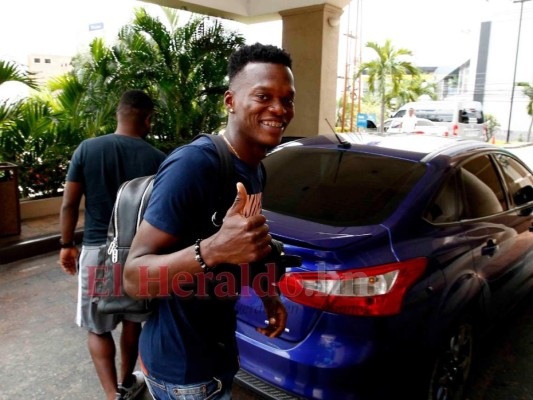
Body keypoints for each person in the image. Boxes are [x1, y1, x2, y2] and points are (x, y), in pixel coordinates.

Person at [123, 43, 295, 400]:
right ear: (230, 101)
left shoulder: (255, 168)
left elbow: (245, 245)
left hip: (216, 353)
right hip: (183, 370)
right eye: (263, 96)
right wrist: (213, 249)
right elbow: (133, 277)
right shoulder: (193, 165)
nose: (279, 109)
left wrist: (267, 294)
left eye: (287, 99)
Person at [59, 89, 167, 400]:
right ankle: (126, 382)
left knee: (98, 327)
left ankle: (111, 395)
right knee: (134, 321)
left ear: (118, 115)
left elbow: (69, 203)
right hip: (139, 254)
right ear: (147, 119)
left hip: (96, 251)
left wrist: (67, 244)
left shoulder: (88, 149)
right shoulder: (157, 159)